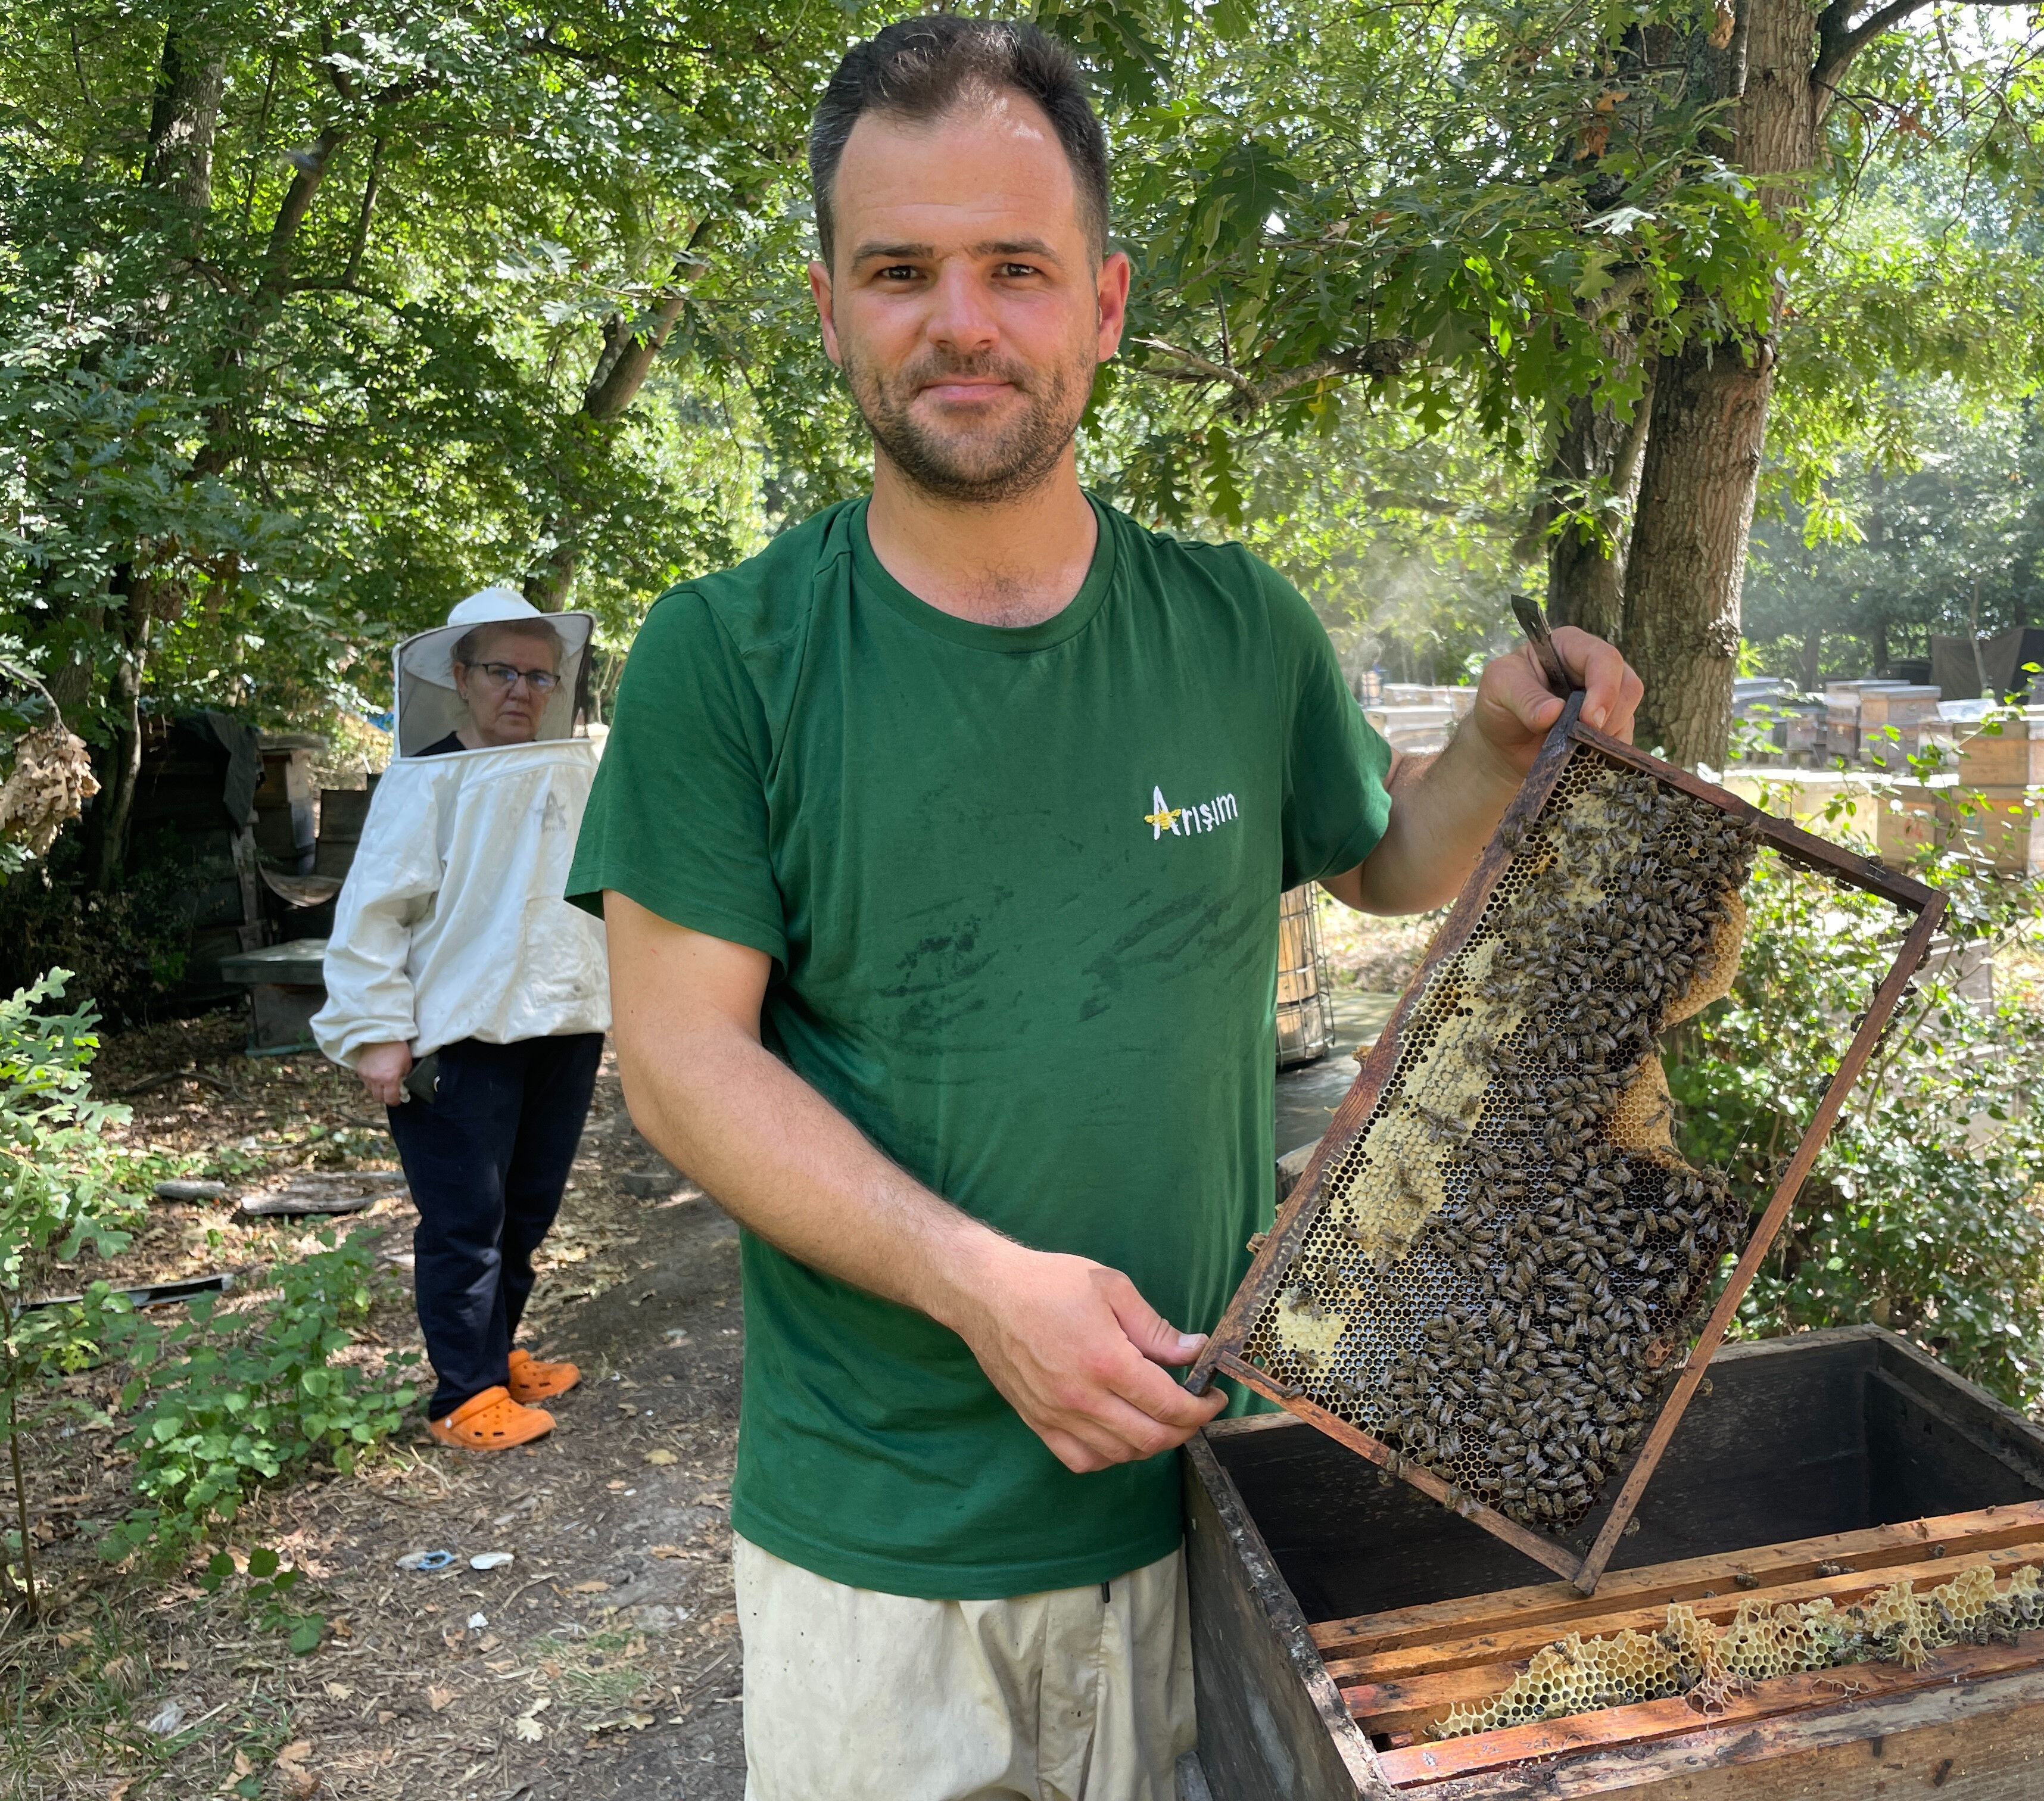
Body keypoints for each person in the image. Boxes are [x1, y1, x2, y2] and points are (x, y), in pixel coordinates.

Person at [568, 18, 1641, 1799]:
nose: (961, 321)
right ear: (831, 310)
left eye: (1016, 268)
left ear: (1107, 305)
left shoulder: (1238, 627)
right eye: (901, 271)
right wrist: (984, 1288)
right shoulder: (727, 655)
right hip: (889, 1556)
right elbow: (681, 1066)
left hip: (1227, 1501)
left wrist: (1491, 744)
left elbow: (1381, 864)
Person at [316, 587, 612, 1452]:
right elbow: (373, 915)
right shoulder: (424, 781)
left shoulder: (571, 767)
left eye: (537, 675)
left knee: (526, 1211)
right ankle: (461, 1396)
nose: (521, 690)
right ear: (460, 675)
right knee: (465, 1223)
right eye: (501, 671)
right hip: (460, 1039)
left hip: (561, 1024)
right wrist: (377, 1033)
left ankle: (496, 1356)